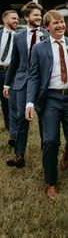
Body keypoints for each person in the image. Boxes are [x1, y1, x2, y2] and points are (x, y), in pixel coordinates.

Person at [25, 10, 68, 199]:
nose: (61, 25)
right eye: (56, 23)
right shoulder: (39, 49)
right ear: (47, 27)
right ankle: (51, 182)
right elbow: (34, 77)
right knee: (50, 141)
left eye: (62, 22)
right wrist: (29, 102)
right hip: (50, 99)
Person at [3, 1, 49, 167]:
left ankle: (47, 151)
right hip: (23, 82)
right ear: (27, 17)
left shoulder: (46, 34)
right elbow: (14, 62)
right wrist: (7, 84)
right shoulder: (19, 36)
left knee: (45, 117)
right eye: (36, 15)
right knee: (22, 118)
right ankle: (19, 156)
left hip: (44, 82)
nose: (39, 17)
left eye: (40, 15)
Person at [0, 10, 18, 146]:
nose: (17, 20)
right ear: (5, 20)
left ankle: (10, 127)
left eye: (17, 18)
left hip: (11, 73)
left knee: (9, 100)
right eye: (13, 18)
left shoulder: (19, 37)